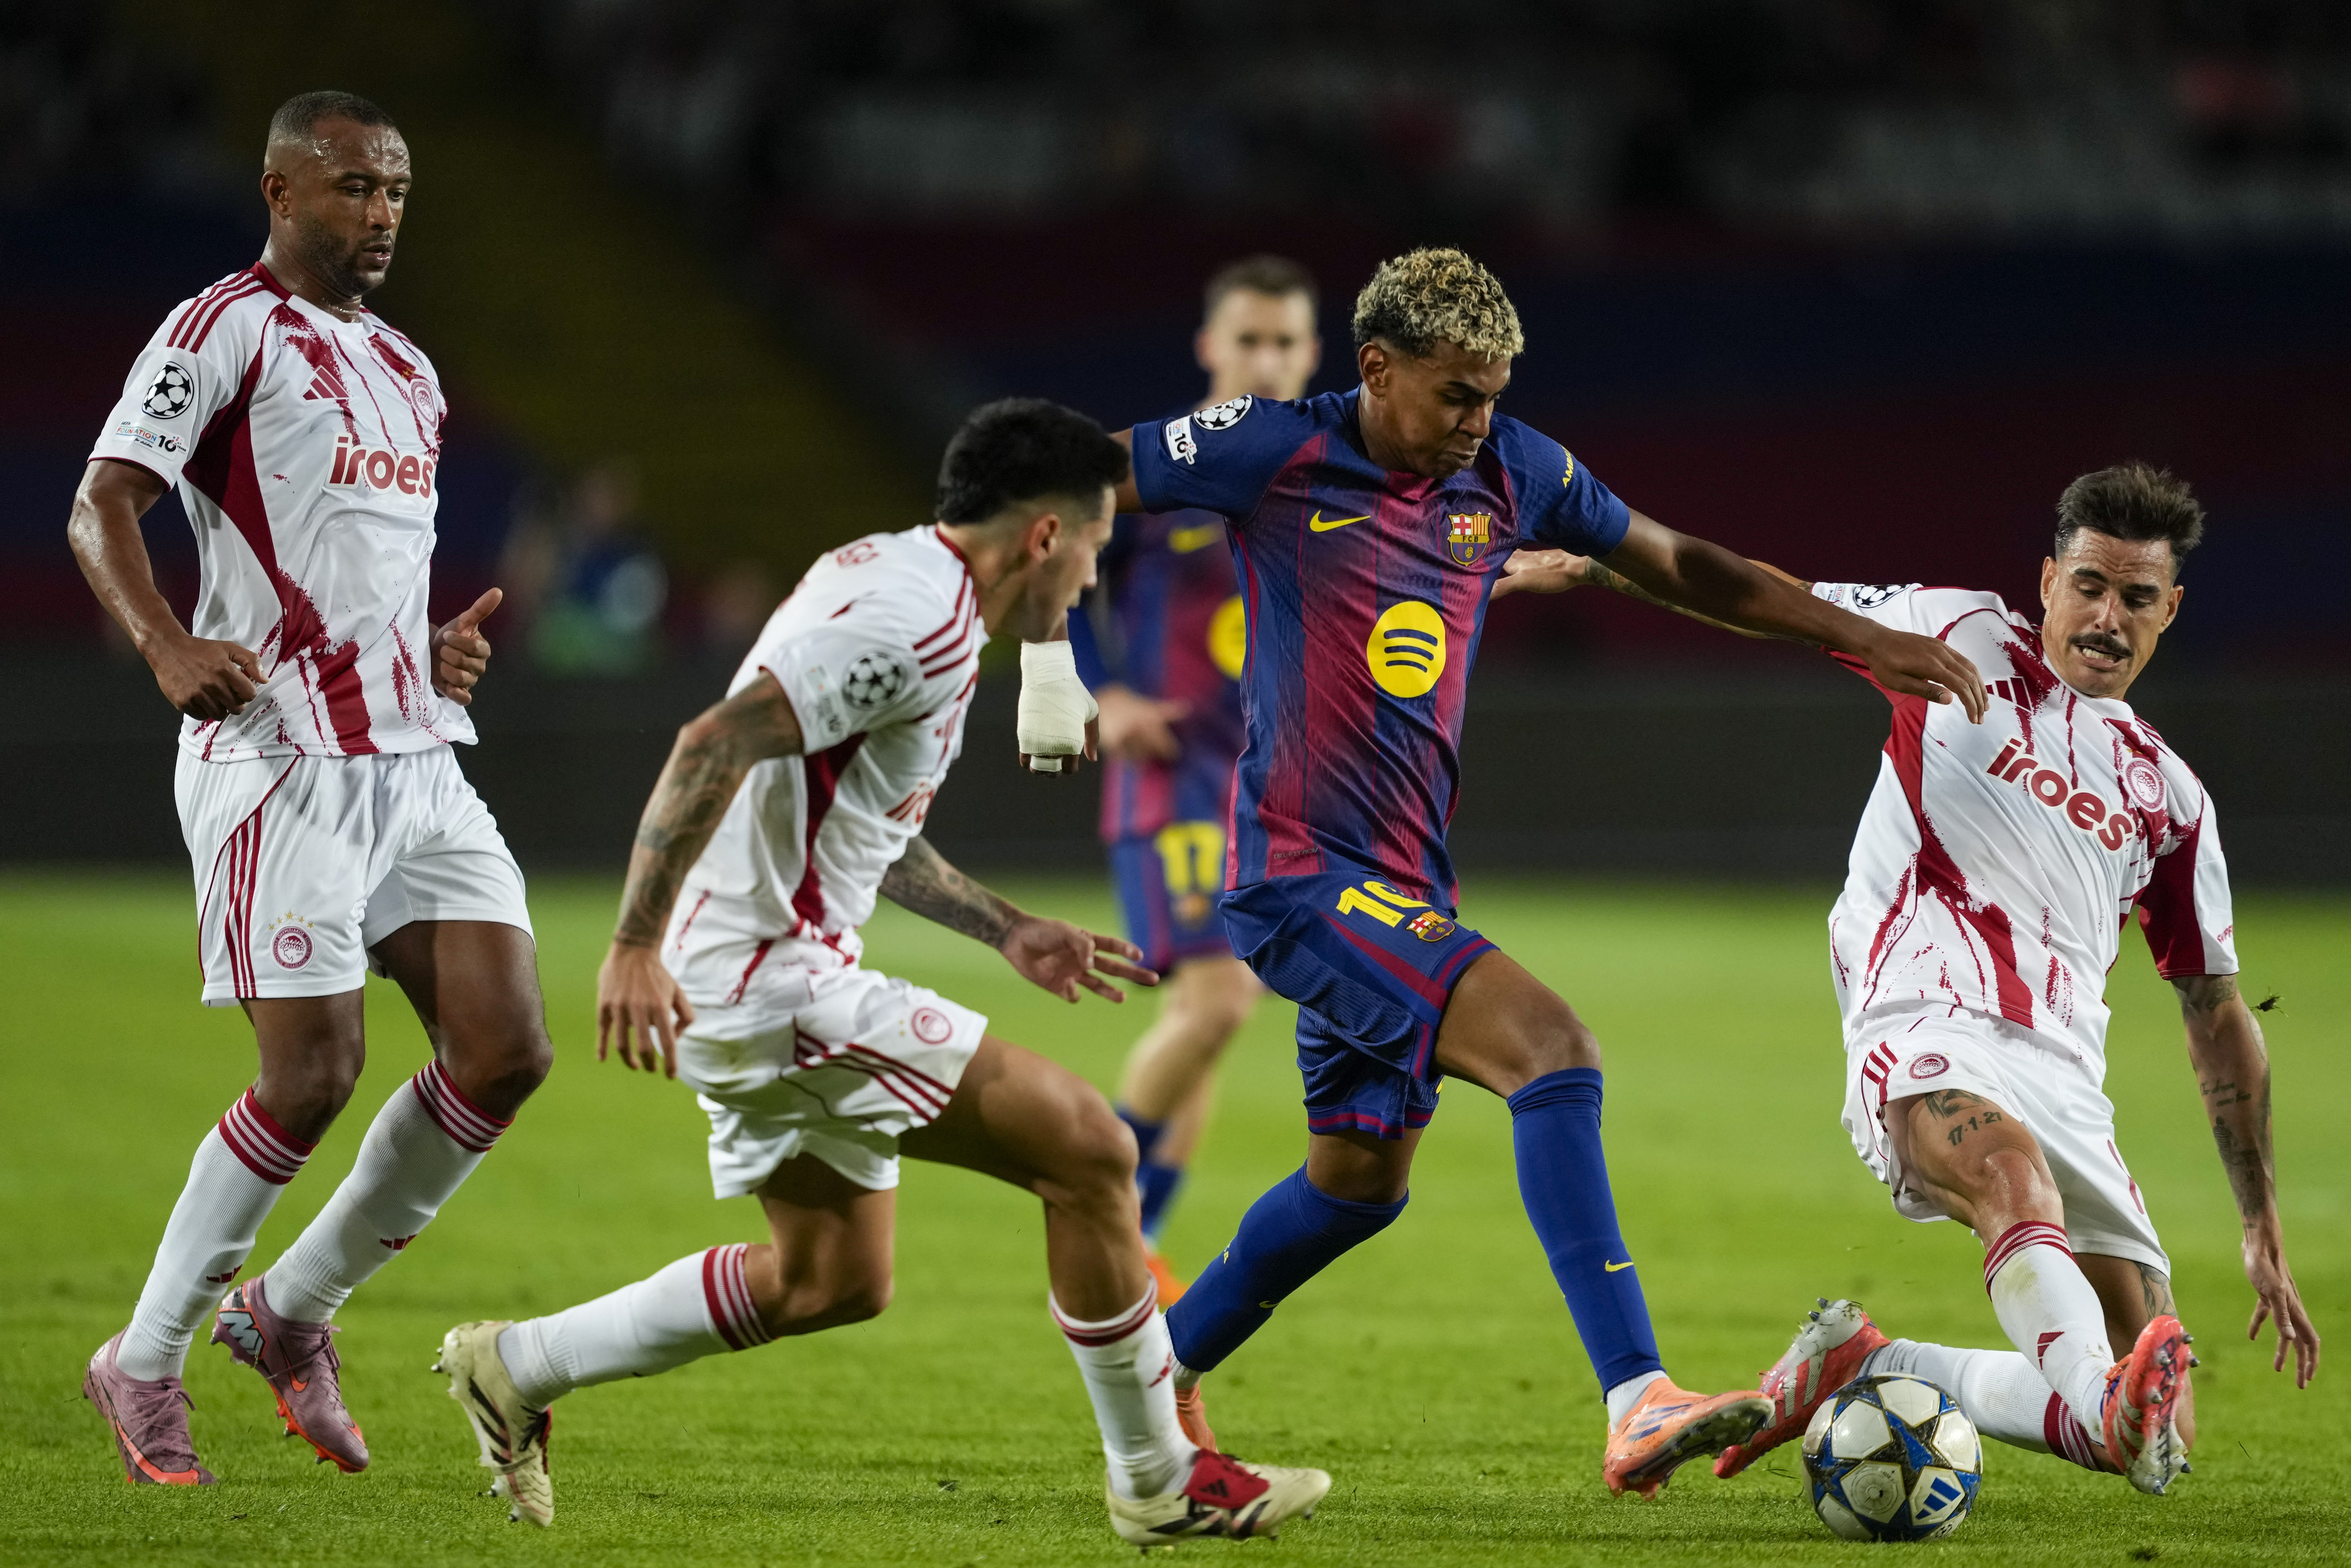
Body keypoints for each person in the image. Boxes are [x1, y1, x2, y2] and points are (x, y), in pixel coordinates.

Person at [1015, 247, 1989, 1496]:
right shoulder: (1273, 450)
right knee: (1552, 1048)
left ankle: (1159, 1378)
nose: (1480, 421)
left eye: (1492, 394)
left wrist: (1858, 637)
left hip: (1404, 884)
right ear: (1375, 369)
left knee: (1356, 1187)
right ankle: (1637, 1395)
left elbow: (1679, 560)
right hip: (1298, 876)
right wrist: (1050, 661)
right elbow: (1062, 477)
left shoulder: (1514, 467)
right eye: (1456, 394)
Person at [433, 399, 1332, 1545]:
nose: (1097, 575)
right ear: (1047, 537)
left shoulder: (903, 581)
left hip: (767, 966)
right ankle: (1159, 1476)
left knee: (829, 1279)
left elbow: (861, 816)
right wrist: (629, 946)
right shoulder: (912, 623)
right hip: (769, 977)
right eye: (1099, 546)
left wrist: (1003, 927)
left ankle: (514, 1365)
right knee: (1092, 1150)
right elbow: (711, 742)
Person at [1504, 464, 2319, 1494]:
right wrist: (1595, 563)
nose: (2107, 616)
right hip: (1925, 1013)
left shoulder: (2171, 796)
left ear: (2170, 609)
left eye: (2137, 597)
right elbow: (1774, 594)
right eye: (2089, 585)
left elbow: (2214, 1009)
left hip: (2066, 1068)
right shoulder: (1958, 634)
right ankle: (2088, 1396)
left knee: (2161, 1439)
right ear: (2046, 580)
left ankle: (1869, 1367)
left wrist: (2259, 1224)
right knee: (2008, 1177)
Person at [67, 92, 550, 1484]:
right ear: (279, 190)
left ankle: (287, 1314)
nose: (382, 212)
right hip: (278, 758)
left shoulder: (407, 364)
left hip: (414, 758)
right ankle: (143, 1359)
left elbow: (363, 570)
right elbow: (101, 500)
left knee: (506, 1047)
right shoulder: (220, 326)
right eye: (353, 187)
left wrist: (436, 649)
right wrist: (165, 642)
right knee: (314, 1072)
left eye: (397, 189)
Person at [1067, 256, 1321, 1301]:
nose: (1265, 360)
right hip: (1172, 774)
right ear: (1210, 348)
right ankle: (1097, 1212)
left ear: (1312, 356)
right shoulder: (1155, 468)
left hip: (1270, 787)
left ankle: (1141, 1233)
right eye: (1247, 340)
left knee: (1221, 1014)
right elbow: (1063, 574)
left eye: (1285, 343)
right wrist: (1100, 693)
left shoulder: (1320, 468)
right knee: (1215, 1003)